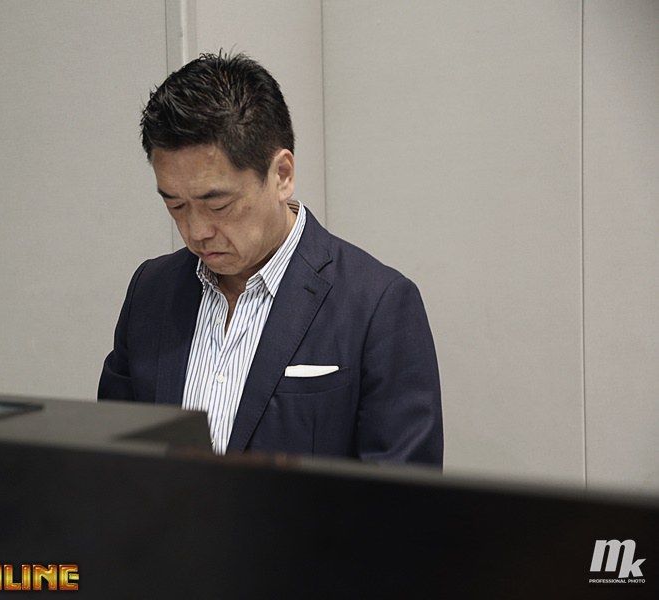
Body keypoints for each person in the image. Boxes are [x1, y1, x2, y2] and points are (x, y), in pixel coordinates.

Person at [98, 52, 443, 467]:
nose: (196, 231)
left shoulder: (377, 306)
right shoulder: (151, 290)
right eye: (176, 205)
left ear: (281, 175)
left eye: (218, 204)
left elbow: (402, 496)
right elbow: (112, 462)